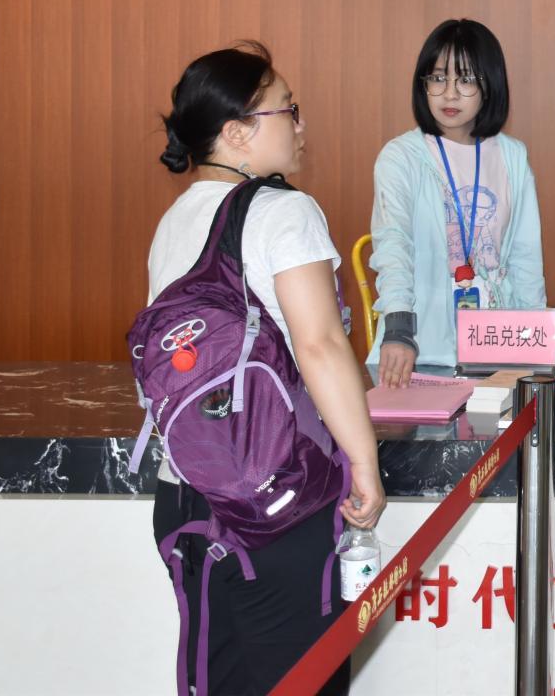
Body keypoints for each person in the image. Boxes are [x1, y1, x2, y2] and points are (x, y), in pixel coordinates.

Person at [147, 42, 383, 695]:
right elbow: (321, 346)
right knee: (301, 680)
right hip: (277, 500)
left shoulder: (176, 220)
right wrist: (364, 463)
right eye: (289, 109)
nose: (302, 125)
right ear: (236, 132)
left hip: (184, 493)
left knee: (220, 678)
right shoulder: (284, 211)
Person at [370, 19, 546, 387]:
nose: (449, 94)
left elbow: (526, 258)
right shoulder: (401, 156)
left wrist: (537, 351)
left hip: (498, 354)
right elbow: (393, 246)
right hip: (419, 353)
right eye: (437, 79)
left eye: (465, 80)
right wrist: (399, 329)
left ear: (489, 85)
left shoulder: (512, 155)